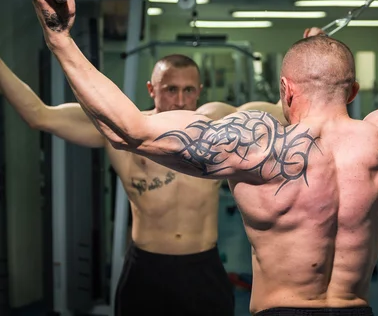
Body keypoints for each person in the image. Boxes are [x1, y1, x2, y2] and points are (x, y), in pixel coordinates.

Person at [30, 0, 378, 315]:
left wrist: (60, 38)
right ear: (353, 90)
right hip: (356, 309)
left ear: (285, 90)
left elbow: (131, 129)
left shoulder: (256, 146)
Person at [0, 45, 285, 315]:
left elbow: (279, 115)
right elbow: (38, 115)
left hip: (203, 267)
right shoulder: (122, 130)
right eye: (171, 89)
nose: (181, 100)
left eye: (188, 90)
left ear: (200, 91)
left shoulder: (218, 126)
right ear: (152, 89)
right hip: (147, 268)